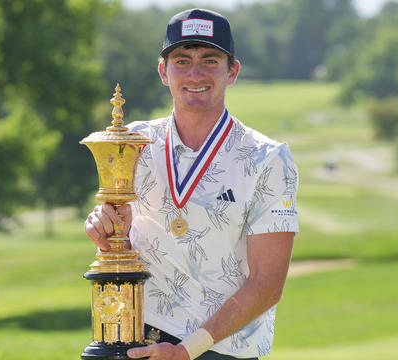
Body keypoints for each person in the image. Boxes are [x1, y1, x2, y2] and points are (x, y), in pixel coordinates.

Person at [84, 8, 299, 360]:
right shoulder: (132, 144)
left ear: (232, 72)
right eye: (182, 61)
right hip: (134, 340)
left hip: (220, 349)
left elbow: (267, 284)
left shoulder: (267, 159)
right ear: (162, 72)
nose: (195, 73)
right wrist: (103, 227)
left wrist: (187, 350)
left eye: (210, 60)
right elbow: (118, 235)